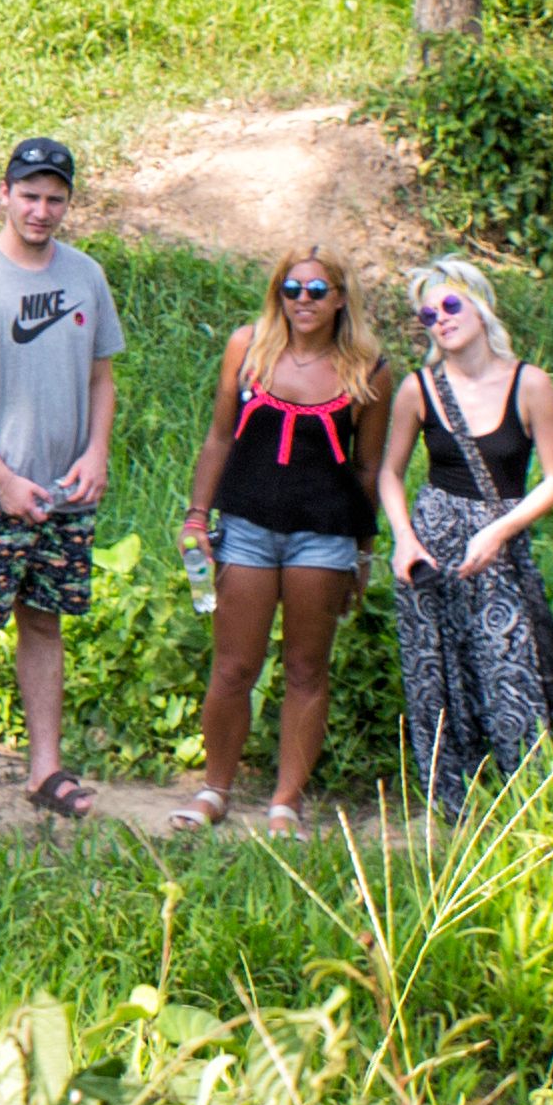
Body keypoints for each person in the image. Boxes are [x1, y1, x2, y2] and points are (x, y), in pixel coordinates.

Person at [0, 137, 120, 824]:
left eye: (55, 198)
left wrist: (96, 453)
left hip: (64, 493)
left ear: (69, 202)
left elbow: (101, 377)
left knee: (44, 622)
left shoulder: (86, 277)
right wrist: (3, 479)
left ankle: (45, 769)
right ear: (3, 193)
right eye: (29, 196)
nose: (41, 210)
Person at [170, 242, 374, 833]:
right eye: (292, 289)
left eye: (316, 291)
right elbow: (219, 439)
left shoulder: (368, 368)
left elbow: (367, 468)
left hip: (325, 537)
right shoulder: (249, 347)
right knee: (234, 666)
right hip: (247, 530)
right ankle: (215, 789)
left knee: (307, 668)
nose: (302, 301)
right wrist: (195, 517)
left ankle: (286, 800)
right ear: (277, 294)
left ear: (339, 299)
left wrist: (364, 552)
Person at [374, 256, 553, 824]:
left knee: (511, 670)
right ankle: (451, 809)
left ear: (481, 306)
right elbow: (390, 472)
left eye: (451, 304)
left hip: (499, 547)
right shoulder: (419, 389)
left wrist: (500, 531)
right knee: (435, 675)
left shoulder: (529, 383)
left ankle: (527, 803)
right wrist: (403, 541)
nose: (441, 319)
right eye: (428, 313)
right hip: (432, 544)